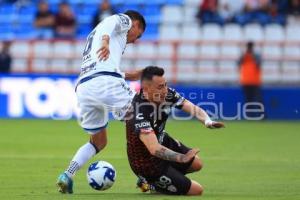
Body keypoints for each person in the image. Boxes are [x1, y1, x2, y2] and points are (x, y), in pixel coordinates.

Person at [56, 10, 146, 194]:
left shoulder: (95, 35)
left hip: (85, 87)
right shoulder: (124, 20)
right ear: (135, 24)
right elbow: (111, 20)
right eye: (140, 34)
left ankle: (67, 174)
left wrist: (130, 75)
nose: (136, 40)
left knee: (99, 141)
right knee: (143, 121)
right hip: (106, 83)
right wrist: (105, 41)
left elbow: (100, 66)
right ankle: (145, 177)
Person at [125, 66, 225, 195]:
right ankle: (151, 183)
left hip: (162, 140)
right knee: (197, 191)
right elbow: (154, 148)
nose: (165, 90)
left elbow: (190, 106)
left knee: (197, 164)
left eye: (165, 85)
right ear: (146, 89)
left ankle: (165, 179)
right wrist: (180, 157)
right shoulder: (138, 112)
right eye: (160, 87)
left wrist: (207, 121)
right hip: (146, 162)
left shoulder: (166, 94)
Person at [238, 41, 263, 118]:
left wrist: (250, 56)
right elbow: (239, 63)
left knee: (258, 100)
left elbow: (258, 64)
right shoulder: (244, 56)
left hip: (254, 81)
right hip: (246, 81)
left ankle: (261, 116)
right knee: (248, 100)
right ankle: (249, 116)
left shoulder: (256, 56)